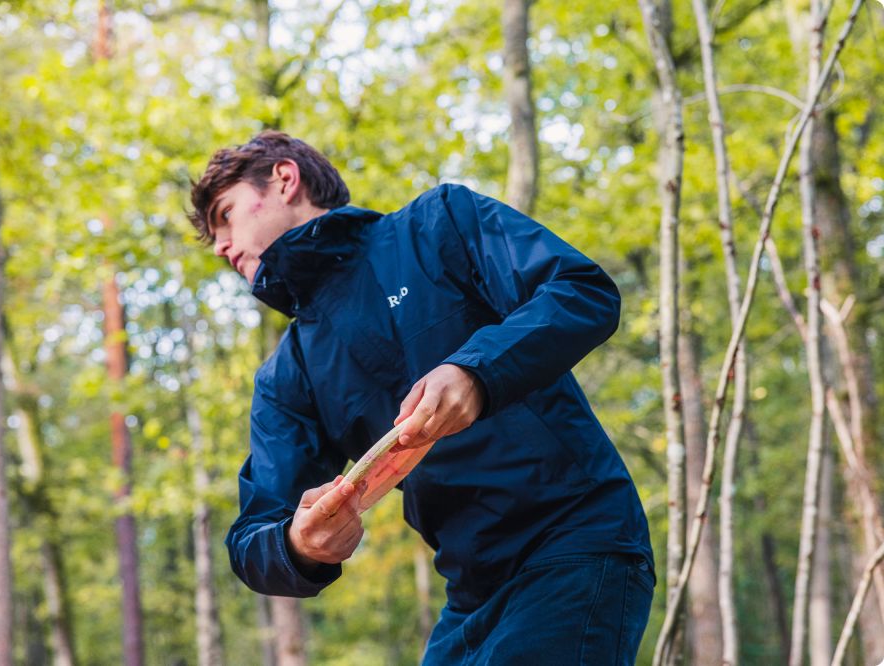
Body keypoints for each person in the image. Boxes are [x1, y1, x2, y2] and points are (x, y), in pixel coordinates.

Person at [189, 130, 654, 664]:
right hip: (468, 596)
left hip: (576, 541)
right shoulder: (287, 373)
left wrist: (475, 371)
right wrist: (298, 545)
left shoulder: (439, 224)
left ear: (284, 180)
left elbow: (581, 290)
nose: (222, 246)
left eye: (225, 216)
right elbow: (254, 532)